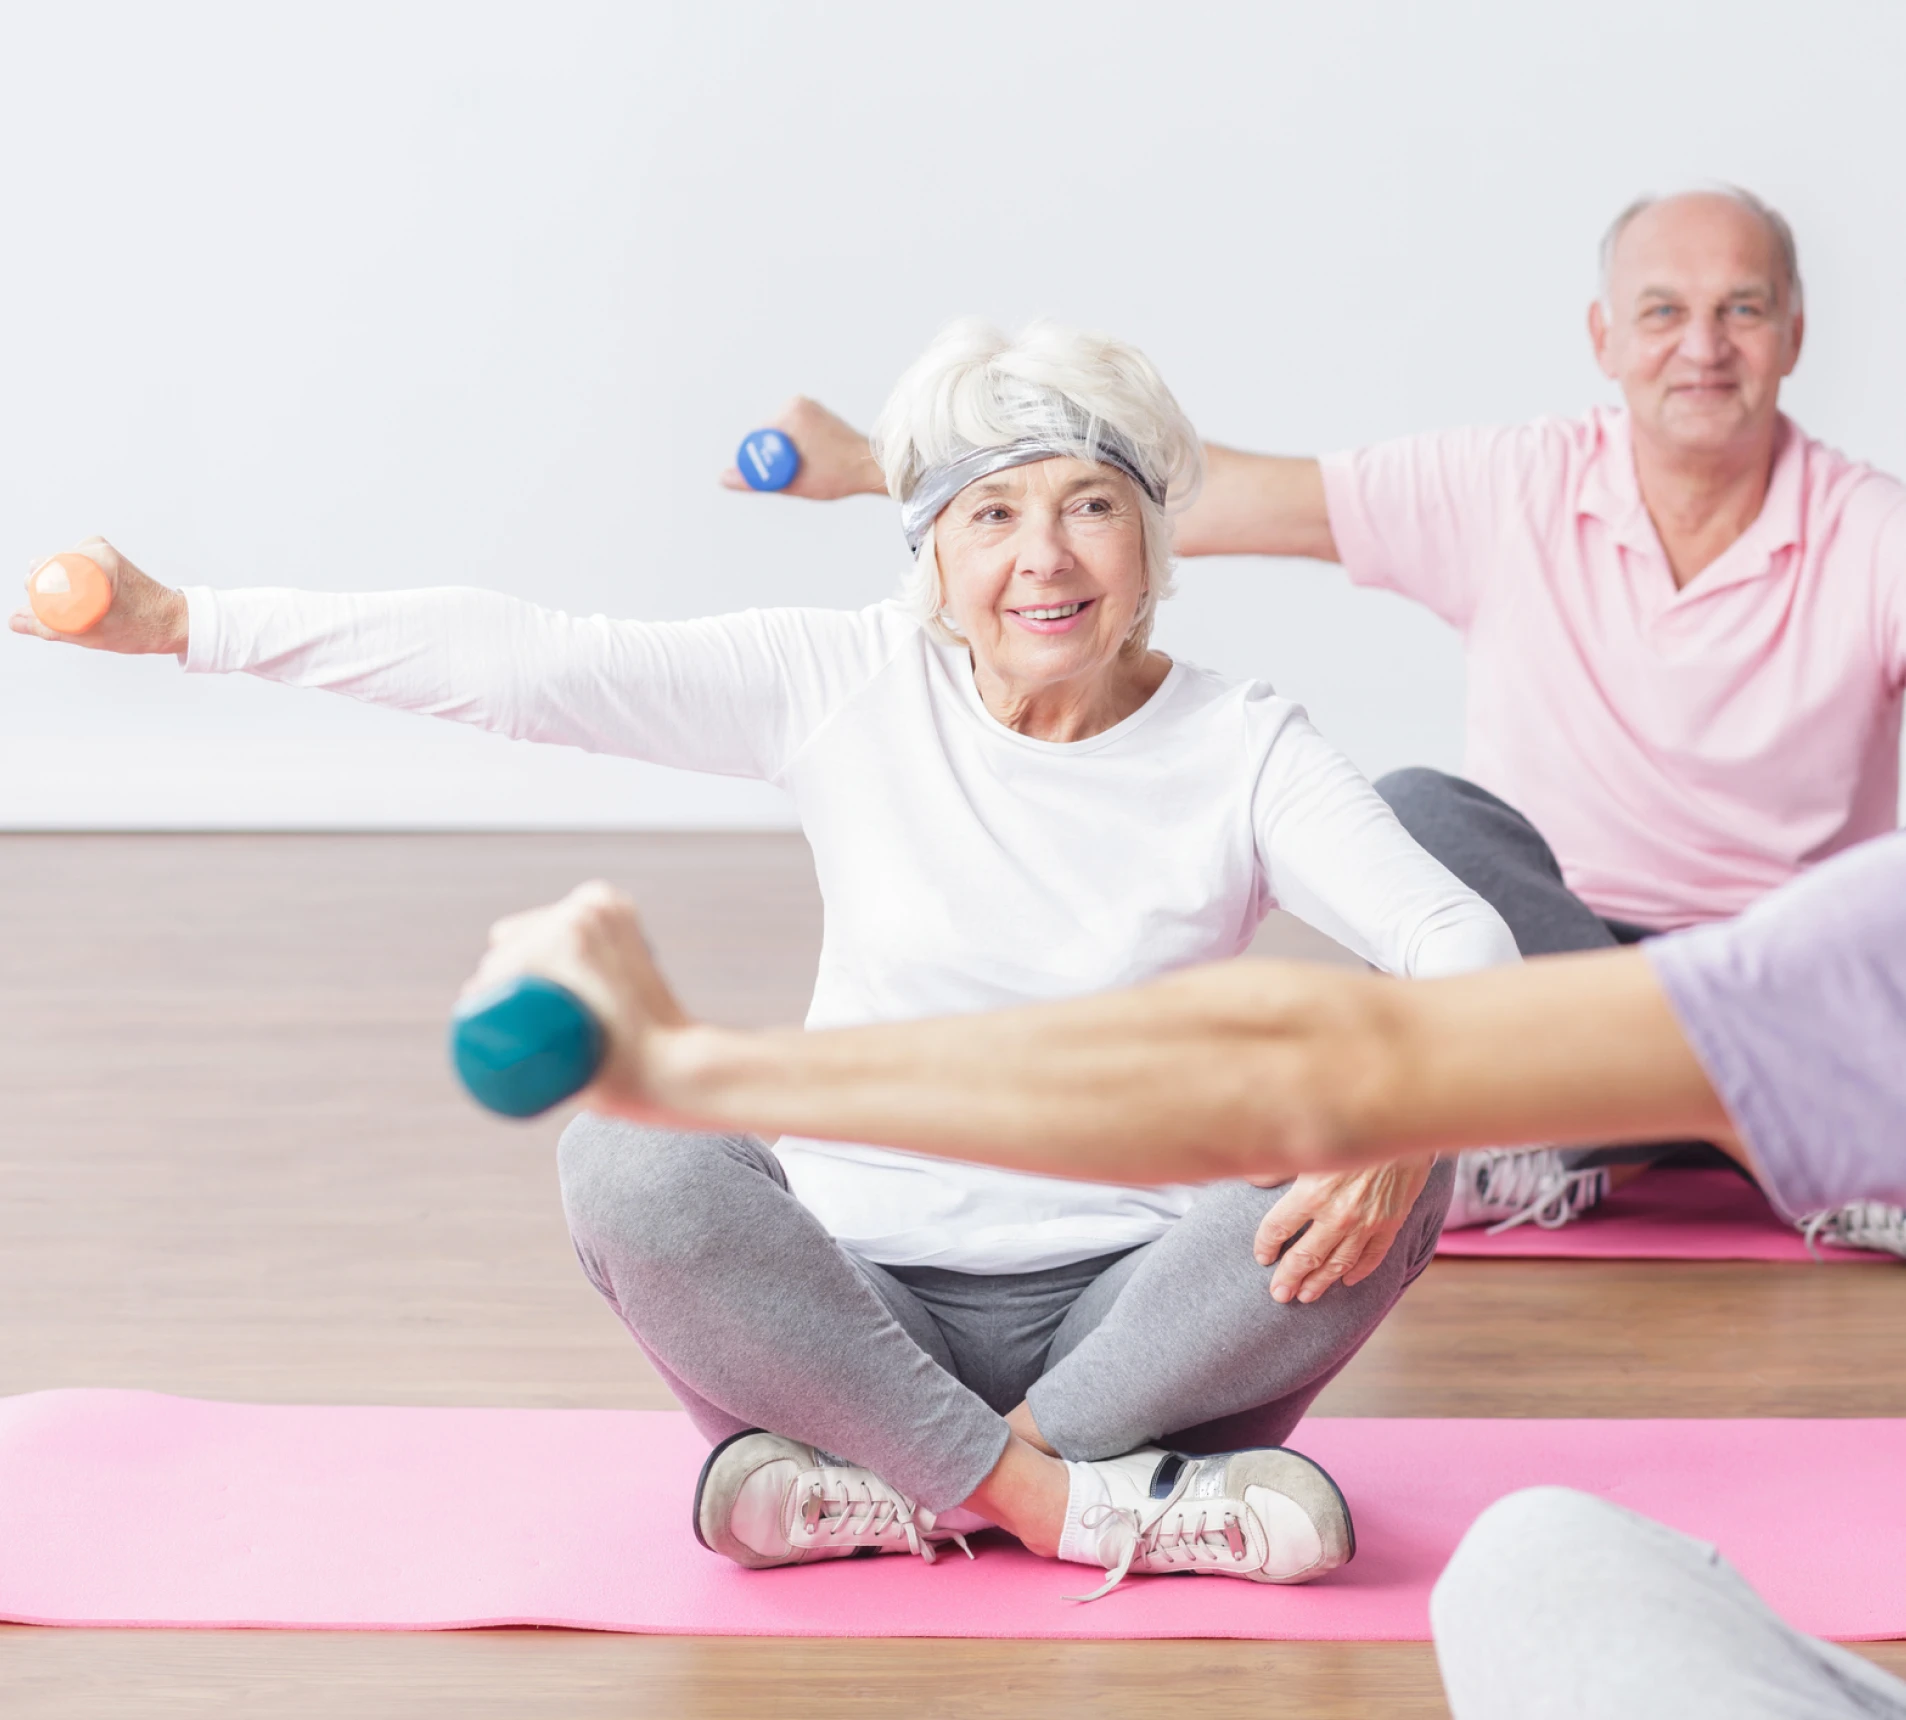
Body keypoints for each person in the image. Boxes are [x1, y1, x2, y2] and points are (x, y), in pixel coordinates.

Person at [13, 320, 1521, 1597]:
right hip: (854, 1296)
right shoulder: (845, 682)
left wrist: (1398, 1121)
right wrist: (184, 625)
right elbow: (532, 662)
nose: (1041, 559)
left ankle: (892, 1478)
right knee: (626, 1152)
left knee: (1407, 1133)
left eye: (1089, 506)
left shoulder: (1241, 742)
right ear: (927, 547)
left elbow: (1458, 938)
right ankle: (1079, 1503)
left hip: (1143, 1315)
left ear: (1153, 534)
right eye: (990, 515)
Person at [463, 831, 1906, 1719]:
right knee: (1533, 1564)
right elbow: (1328, 1073)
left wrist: (694, 1063)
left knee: (1523, 1538)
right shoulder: (1870, 952)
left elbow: (1306, 1072)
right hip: (904, 1299)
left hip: (1124, 1297)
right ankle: (1063, 1492)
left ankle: (949, 1480)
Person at [726, 185, 1906, 1247]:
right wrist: (899, 464)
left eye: (1741, 310)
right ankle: (1764, 1135)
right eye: (1661, 312)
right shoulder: (1513, 485)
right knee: (1424, 816)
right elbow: (1195, 495)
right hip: (1558, 962)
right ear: (1604, 338)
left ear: (1793, 334)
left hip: (1785, 968)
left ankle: (1594, 1121)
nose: (1700, 347)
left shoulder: (1874, 533)